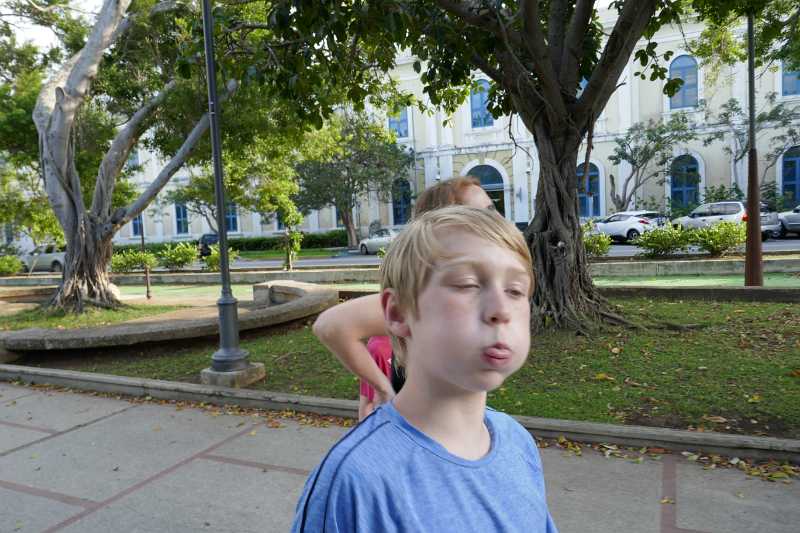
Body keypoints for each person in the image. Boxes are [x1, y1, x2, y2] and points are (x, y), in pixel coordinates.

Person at [291, 206, 557, 532]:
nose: (502, 309)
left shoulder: (518, 443)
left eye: (516, 291)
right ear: (398, 313)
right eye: (468, 284)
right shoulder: (356, 480)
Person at [313, 176, 495, 419]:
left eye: (493, 210)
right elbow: (332, 326)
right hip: (426, 426)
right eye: (483, 213)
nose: (497, 220)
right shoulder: (437, 293)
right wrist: (383, 389)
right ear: (447, 224)